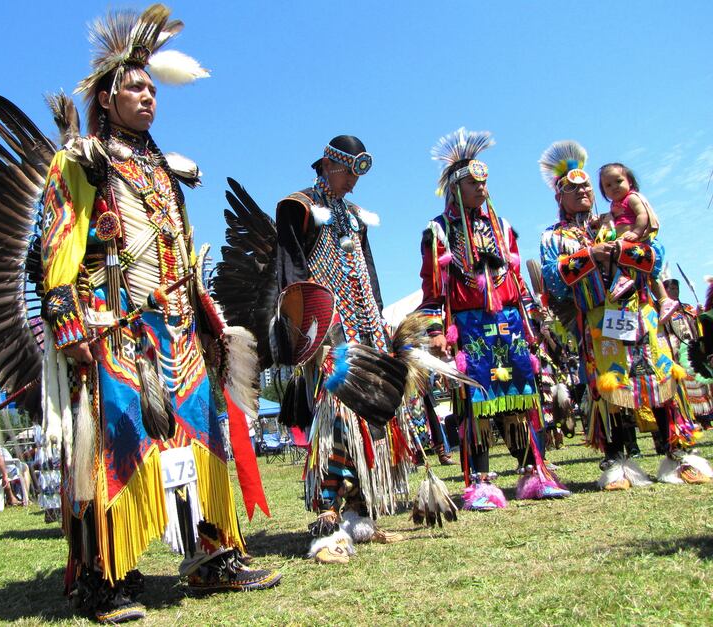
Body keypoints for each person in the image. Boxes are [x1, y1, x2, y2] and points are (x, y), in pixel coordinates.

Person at [39, 5, 278, 622]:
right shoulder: (82, 160)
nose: (148, 96)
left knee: (202, 439)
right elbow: (58, 241)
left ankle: (211, 557)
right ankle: (104, 577)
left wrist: (207, 319)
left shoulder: (162, 168)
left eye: (152, 88)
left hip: (179, 329)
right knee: (115, 442)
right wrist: (67, 321)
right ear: (107, 97)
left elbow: (181, 252)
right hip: (117, 328)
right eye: (135, 88)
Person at [538, 140, 712, 490]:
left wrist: (621, 249)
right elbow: (553, 280)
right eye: (573, 188)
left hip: (640, 313)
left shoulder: (619, 219)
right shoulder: (554, 236)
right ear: (560, 197)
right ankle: (619, 464)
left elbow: (656, 258)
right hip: (599, 323)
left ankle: (678, 456)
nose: (583, 191)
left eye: (587, 186)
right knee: (609, 389)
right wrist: (591, 255)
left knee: (661, 379)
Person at [418, 128, 569, 511]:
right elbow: (432, 288)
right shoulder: (439, 232)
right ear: (456, 188)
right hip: (469, 328)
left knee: (521, 397)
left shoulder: (502, 228)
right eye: (473, 183)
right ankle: (481, 485)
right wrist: (435, 329)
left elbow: (516, 281)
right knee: (477, 405)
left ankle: (534, 474)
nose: (481, 188)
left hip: (510, 324)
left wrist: (534, 322)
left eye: (484, 182)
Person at [275, 136, 412, 554]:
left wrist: (379, 319)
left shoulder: (354, 217)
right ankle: (327, 514)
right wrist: (305, 331)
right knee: (333, 417)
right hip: (326, 328)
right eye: (348, 172)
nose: (353, 181)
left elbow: (368, 269)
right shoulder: (298, 207)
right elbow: (291, 272)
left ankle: (359, 509)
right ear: (329, 165)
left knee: (368, 414)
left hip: (364, 324)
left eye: (357, 174)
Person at [596, 163, 679, 323]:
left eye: (618, 181)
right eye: (608, 185)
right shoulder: (615, 205)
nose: (614, 187)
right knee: (606, 255)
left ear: (630, 181)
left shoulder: (632, 198)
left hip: (639, 242)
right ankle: (620, 279)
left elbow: (642, 215)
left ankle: (664, 300)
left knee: (651, 275)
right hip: (624, 246)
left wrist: (636, 232)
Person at [662, 278, 713, 429]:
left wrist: (700, 313)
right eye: (671, 288)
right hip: (676, 352)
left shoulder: (687, 308)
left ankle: (705, 418)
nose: (675, 291)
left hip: (693, 350)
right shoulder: (662, 311)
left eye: (676, 288)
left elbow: (700, 325)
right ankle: (690, 418)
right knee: (684, 385)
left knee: (700, 382)